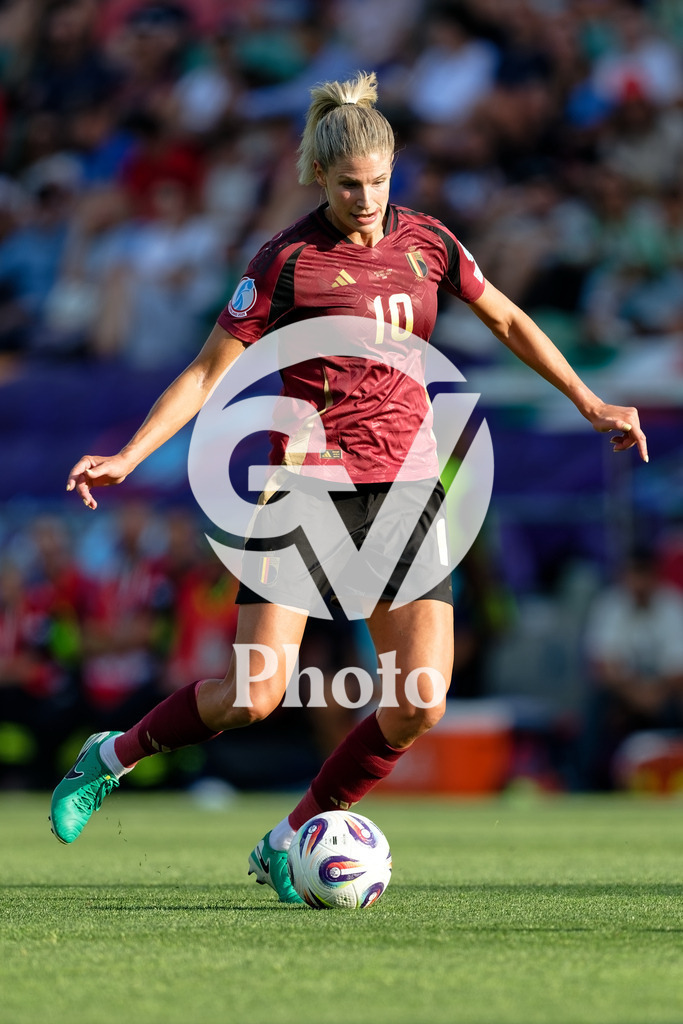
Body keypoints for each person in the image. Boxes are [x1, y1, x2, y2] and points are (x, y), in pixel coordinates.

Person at [50, 71, 647, 904]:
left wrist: (588, 401)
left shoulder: (428, 242)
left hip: (403, 496)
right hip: (302, 493)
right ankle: (108, 757)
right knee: (254, 698)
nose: (365, 199)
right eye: (348, 185)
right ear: (319, 180)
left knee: (420, 703)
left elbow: (507, 319)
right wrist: (128, 454)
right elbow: (205, 374)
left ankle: (292, 834)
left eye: (378, 182)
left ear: (394, 170)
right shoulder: (285, 259)